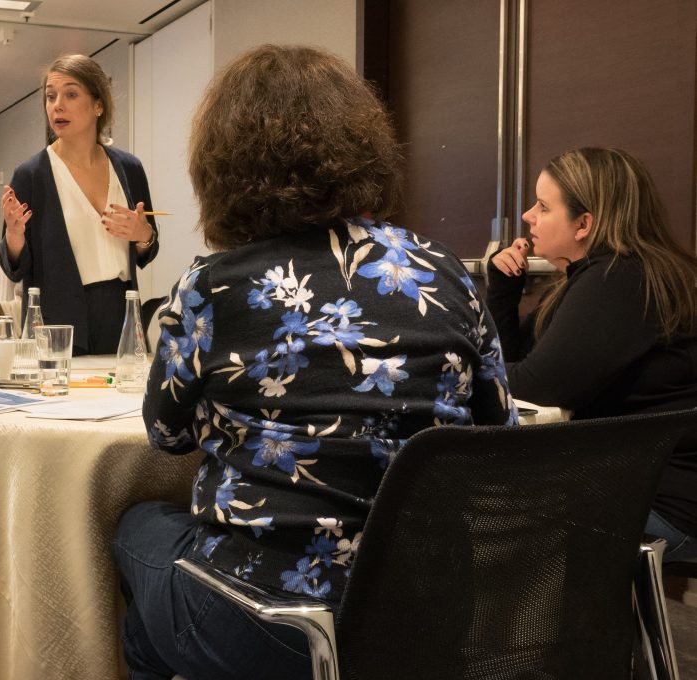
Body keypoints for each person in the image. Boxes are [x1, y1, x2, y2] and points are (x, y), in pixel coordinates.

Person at [113, 44, 518, 680]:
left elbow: (165, 436)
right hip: (427, 611)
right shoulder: (447, 274)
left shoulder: (211, 287)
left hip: (269, 618)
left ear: (222, 169)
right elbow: (499, 434)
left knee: (135, 530)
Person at [486, 146, 697, 561]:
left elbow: (535, 386)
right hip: (634, 490)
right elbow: (519, 369)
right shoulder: (603, 276)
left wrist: (456, 374)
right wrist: (503, 288)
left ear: (584, 223)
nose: (528, 216)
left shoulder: (621, 279)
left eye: (543, 207)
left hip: (665, 509)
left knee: (472, 511)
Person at [0, 53, 159, 355]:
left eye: (71, 94)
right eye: (50, 96)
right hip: (59, 316)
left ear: (98, 105)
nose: (57, 105)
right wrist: (14, 236)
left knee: (123, 398)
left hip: (121, 309)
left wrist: (143, 235)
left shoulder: (129, 168)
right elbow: (14, 268)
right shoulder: (32, 174)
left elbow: (147, 250)